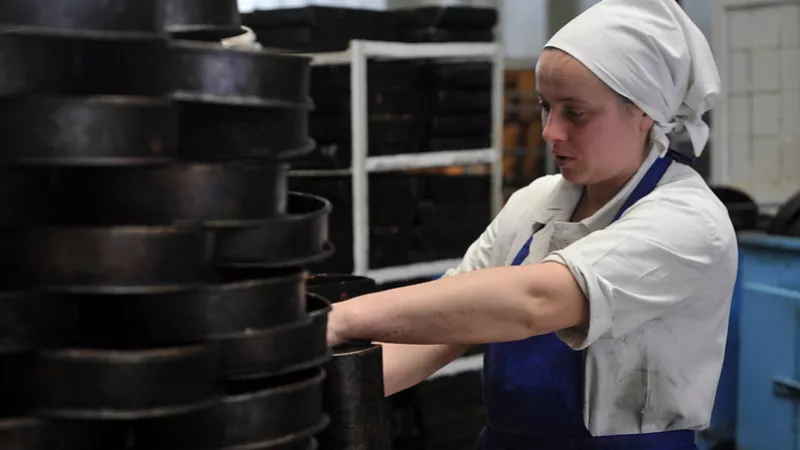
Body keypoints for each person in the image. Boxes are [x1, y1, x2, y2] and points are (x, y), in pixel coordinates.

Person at [326, 0, 738, 448]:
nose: (550, 131)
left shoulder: (689, 221)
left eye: (575, 113)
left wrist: (339, 318)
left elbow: (536, 300)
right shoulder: (536, 202)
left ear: (643, 112)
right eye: (546, 107)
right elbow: (446, 326)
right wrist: (322, 398)